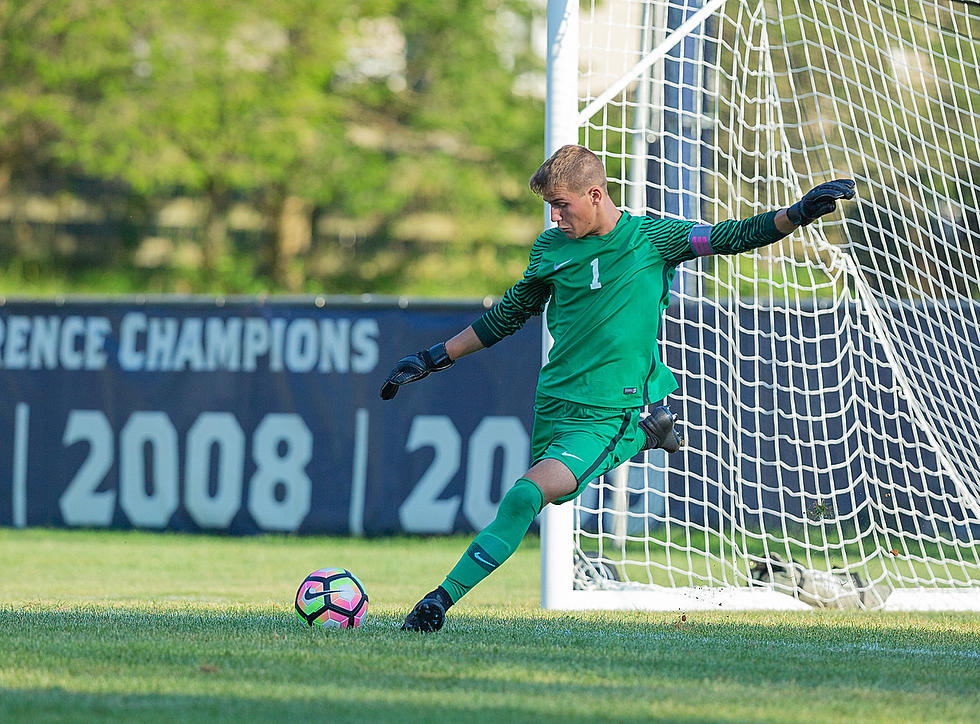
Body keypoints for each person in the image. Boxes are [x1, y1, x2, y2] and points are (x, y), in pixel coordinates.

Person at [380, 144, 855, 632]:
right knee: (543, 496)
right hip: (555, 403)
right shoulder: (550, 248)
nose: (555, 216)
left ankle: (438, 602)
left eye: (562, 205)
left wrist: (794, 215)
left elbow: (730, 235)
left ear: (594, 194)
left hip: (608, 411)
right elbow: (507, 315)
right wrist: (433, 358)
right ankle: (648, 435)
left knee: (526, 496)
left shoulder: (652, 238)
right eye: (550, 207)